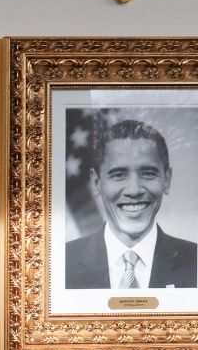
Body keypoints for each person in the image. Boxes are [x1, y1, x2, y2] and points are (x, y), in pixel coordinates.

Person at [65, 119, 197, 289]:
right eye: (118, 174)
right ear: (96, 182)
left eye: (148, 173)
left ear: (167, 180)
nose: (134, 190)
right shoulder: (61, 261)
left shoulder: (195, 260)